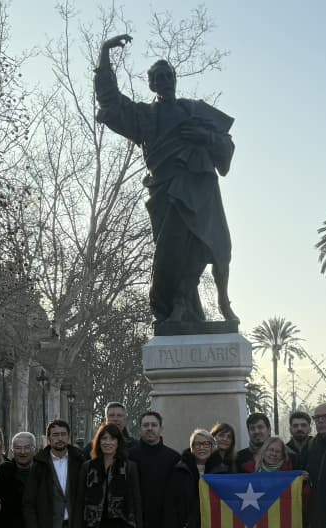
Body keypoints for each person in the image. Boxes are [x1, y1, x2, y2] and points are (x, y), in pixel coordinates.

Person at [94, 33, 237, 325]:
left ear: (175, 78)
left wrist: (205, 136)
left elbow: (227, 144)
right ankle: (177, 303)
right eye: (158, 77)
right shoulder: (144, 117)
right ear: (152, 84)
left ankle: (212, 301)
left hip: (200, 188)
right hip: (165, 194)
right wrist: (104, 53)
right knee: (169, 256)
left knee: (213, 245)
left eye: (168, 75)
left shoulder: (194, 110)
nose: (165, 80)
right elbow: (111, 101)